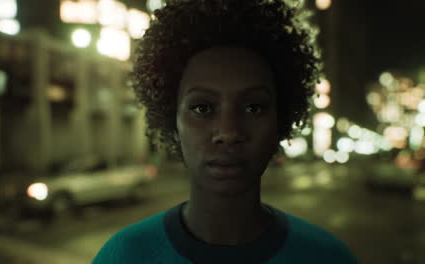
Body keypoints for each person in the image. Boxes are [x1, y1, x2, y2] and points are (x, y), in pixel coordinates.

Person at [92, 0, 358, 263]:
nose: (229, 132)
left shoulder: (329, 258)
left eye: (254, 107)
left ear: (282, 121)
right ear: (173, 122)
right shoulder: (124, 256)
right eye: (203, 108)